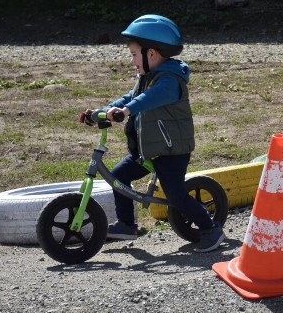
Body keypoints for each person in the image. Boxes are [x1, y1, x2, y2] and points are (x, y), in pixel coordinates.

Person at [87, 14, 225, 252]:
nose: (132, 61)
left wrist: (127, 110)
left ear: (151, 54)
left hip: (171, 150)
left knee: (175, 195)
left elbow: (147, 99)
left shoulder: (169, 80)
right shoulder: (146, 78)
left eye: (133, 55)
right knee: (119, 177)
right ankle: (127, 225)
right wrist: (103, 111)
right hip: (151, 148)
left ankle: (211, 230)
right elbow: (129, 98)